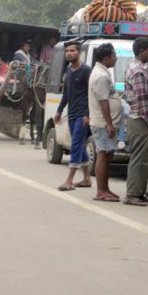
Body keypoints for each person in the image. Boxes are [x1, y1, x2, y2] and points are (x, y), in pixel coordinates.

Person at [123, 37, 148, 206]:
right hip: (141, 119)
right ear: (141, 51)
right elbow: (142, 98)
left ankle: (139, 191)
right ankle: (132, 193)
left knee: (146, 157)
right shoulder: (138, 71)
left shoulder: (136, 67)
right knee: (139, 157)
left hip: (140, 118)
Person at [54, 40, 92, 191]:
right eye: (67, 51)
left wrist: (88, 114)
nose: (69, 53)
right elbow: (66, 94)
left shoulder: (86, 71)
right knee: (80, 146)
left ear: (79, 52)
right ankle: (87, 178)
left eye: (72, 51)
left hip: (82, 115)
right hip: (71, 114)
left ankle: (69, 180)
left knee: (75, 144)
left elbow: (91, 94)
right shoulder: (69, 71)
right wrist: (59, 111)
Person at [88, 43, 122, 202]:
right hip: (103, 123)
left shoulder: (103, 72)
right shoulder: (101, 76)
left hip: (106, 122)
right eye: (114, 55)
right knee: (103, 154)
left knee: (108, 155)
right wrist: (109, 124)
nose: (116, 58)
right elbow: (103, 102)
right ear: (107, 58)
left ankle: (105, 189)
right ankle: (101, 191)